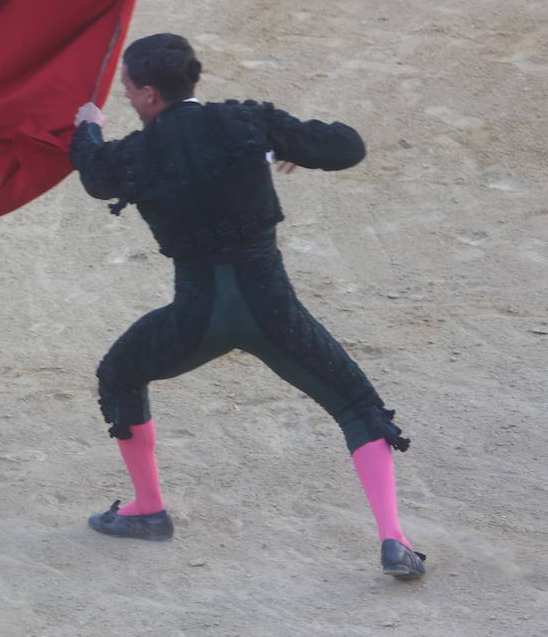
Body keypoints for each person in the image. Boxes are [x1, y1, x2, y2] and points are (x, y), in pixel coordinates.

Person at [69, 33, 425, 579]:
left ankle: (148, 510)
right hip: (272, 310)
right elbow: (346, 147)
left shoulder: (135, 154)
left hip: (196, 319)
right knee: (357, 405)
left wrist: (86, 126)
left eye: (125, 92)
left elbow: (95, 176)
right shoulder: (244, 124)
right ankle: (394, 538)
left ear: (146, 95)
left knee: (118, 375)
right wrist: (286, 147)